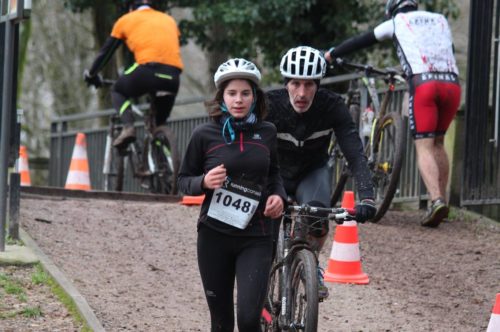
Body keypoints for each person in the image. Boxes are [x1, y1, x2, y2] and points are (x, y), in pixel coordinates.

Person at [325, 0, 461, 228]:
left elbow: (363, 39)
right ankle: (442, 201)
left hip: (424, 83)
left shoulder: (397, 21)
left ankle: (436, 199)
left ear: (392, 9)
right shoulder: (440, 20)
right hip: (452, 84)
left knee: (424, 146)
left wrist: (332, 54)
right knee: (438, 143)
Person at [177, 58, 286, 332]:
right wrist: (203, 181)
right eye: (232, 93)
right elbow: (182, 180)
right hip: (214, 238)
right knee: (222, 323)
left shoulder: (267, 132)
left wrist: (279, 197)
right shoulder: (204, 134)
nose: (239, 100)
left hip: (257, 237)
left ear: (254, 97)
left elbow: (274, 174)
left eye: (245, 93)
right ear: (222, 97)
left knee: (249, 321)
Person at [265, 46, 376, 301]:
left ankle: (310, 263)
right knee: (263, 232)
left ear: (318, 84)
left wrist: (367, 196)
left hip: (311, 173)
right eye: (295, 84)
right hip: (275, 174)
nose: (302, 93)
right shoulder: (269, 105)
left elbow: (355, 153)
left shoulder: (331, 106)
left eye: (309, 85)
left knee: (317, 218)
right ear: (286, 83)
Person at [84, 0, 183, 149]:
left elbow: (106, 53)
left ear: (130, 8)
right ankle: (167, 165)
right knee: (158, 126)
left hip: (147, 70)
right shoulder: (169, 20)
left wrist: (91, 75)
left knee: (117, 90)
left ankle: (128, 127)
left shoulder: (125, 20)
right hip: (173, 76)